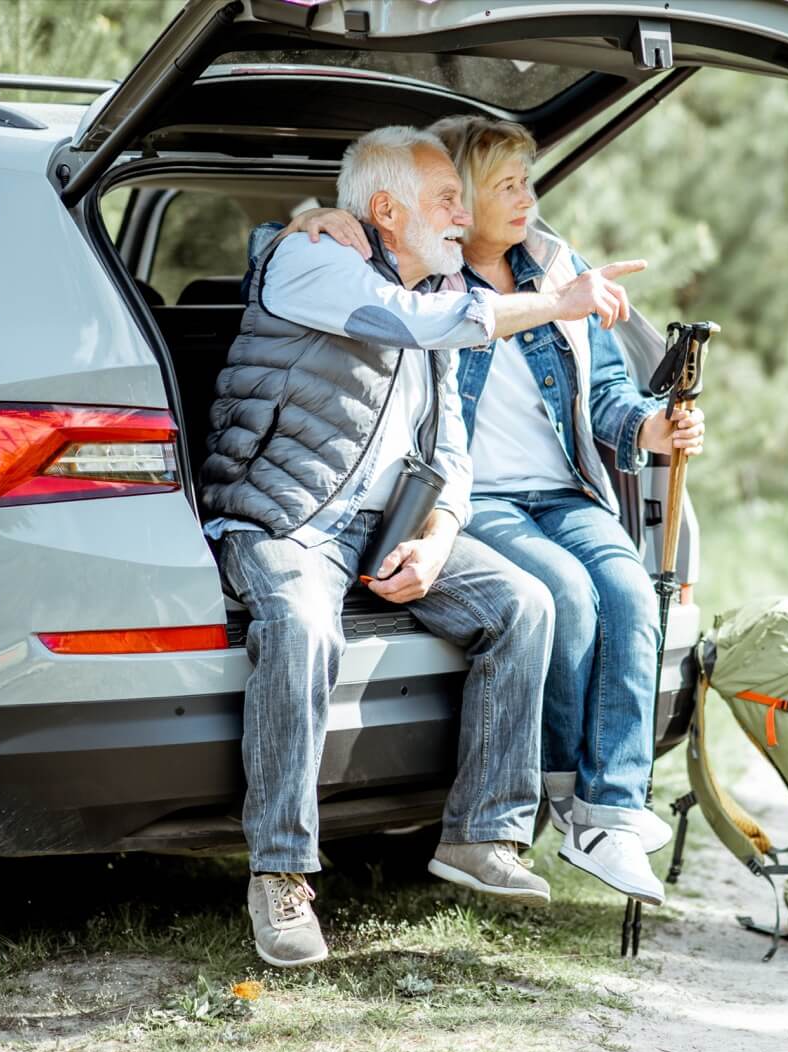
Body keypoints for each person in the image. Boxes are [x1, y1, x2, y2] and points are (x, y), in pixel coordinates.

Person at [202, 124, 646, 967]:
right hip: (288, 516)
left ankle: (482, 834)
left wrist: (440, 533)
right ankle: (280, 874)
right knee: (303, 629)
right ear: (382, 211)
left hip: (388, 524)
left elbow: (449, 449)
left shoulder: (435, 283)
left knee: (523, 604)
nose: (461, 214)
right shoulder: (314, 265)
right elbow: (415, 322)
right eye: (446, 200)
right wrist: (557, 301)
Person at [279, 116, 704, 908]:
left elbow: (608, 392)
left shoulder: (555, 266)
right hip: (478, 501)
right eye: (505, 184)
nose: (527, 199)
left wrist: (651, 426)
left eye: (528, 181)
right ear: (460, 198)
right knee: (567, 600)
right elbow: (307, 258)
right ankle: (567, 793)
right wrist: (306, 219)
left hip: (568, 488)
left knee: (629, 591)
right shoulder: (428, 278)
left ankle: (612, 810)